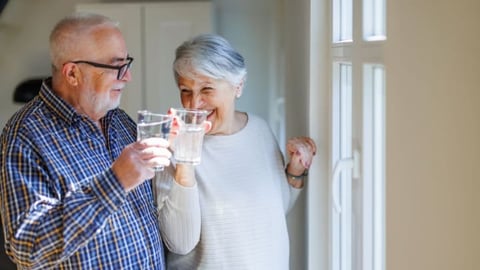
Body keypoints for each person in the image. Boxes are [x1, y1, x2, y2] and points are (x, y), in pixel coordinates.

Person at [0, 12, 199, 269]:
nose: (127, 77)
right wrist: (116, 181)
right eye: (116, 66)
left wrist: (174, 150)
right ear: (72, 73)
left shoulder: (119, 120)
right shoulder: (25, 136)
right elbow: (27, 248)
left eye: (126, 63)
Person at [157, 33, 317, 269]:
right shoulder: (170, 145)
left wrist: (295, 169)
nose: (194, 104)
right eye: (186, 91)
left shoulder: (259, 131)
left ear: (238, 86)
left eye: (207, 89)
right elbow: (180, 242)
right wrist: (185, 160)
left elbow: (275, 209)